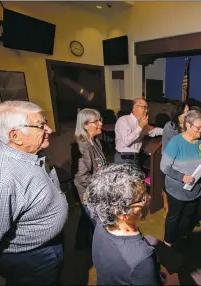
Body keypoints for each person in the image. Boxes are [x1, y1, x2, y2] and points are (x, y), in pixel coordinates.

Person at [0, 101, 68, 285]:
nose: (50, 130)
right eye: (40, 126)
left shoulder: (28, 154)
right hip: (31, 259)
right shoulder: (0, 180)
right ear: (16, 136)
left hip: (47, 248)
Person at [87, 164, 179, 285]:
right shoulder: (141, 258)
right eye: (141, 198)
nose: (148, 197)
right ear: (121, 213)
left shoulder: (103, 220)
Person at [160, 110, 201, 247]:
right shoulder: (176, 142)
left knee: (189, 216)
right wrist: (182, 177)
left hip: (195, 190)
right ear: (187, 125)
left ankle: (182, 238)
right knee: (174, 217)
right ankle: (168, 243)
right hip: (176, 190)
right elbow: (164, 167)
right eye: (198, 127)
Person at [73, 108, 107, 248]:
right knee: (96, 223)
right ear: (85, 125)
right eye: (96, 121)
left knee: (85, 216)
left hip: (95, 188)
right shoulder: (83, 146)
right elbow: (82, 177)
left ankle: (80, 244)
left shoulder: (95, 140)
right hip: (88, 192)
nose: (100, 124)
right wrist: (104, 182)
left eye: (100, 120)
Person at [114, 98, 163, 167]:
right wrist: (140, 127)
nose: (146, 111)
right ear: (135, 107)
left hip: (136, 157)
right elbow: (126, 141)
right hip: (124, 158)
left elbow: (153, 131)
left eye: (147, 108)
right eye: (144, 108)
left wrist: (168, 130)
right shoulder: (123, 120)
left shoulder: (141, 123)